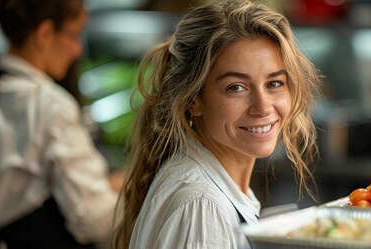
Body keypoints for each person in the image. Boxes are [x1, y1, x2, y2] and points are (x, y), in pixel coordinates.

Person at [110, 0, 321, 248]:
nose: (263, 107)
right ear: (193, 99)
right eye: (236, 88)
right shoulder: (202, 208)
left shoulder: (214, 187)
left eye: (274, 83)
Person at [0, 0, 120, 248]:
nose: (77, 50)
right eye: (74, 35)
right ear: (44, 34)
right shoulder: (50, 106)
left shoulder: (4, 85)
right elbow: (96, 221)